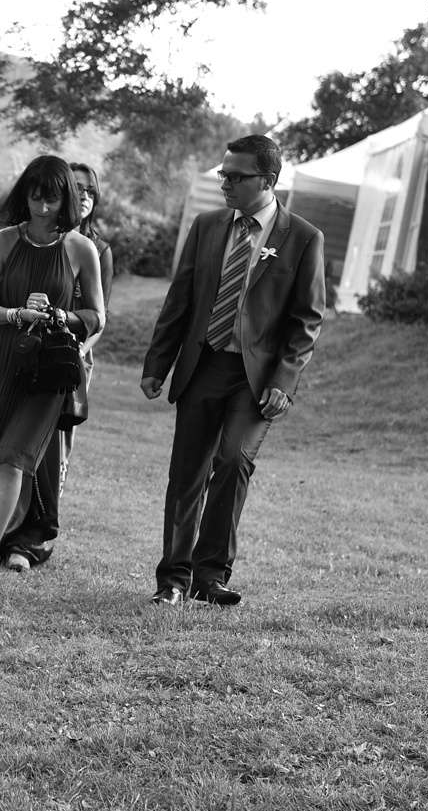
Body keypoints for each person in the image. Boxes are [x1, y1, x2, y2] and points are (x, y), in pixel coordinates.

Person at [141, 134, 325, 607]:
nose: (225, 183)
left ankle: (210, 577)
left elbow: (307, 321)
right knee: (187, 474)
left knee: (233, 460)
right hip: (201, 365)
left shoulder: (303, 237)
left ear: (267, 180)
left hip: (254, 378)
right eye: (224, 174)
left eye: (236, 176)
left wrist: (285, 380)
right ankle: (173, 581)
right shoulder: (206, 226)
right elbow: (180, 300)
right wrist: (158, 364)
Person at [0, 156, 105, 610]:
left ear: (65, 199)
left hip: (45, 375)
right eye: (35, 197)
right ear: (24, 195)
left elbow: (96, 317)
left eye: (51, 199)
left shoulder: (80, 249)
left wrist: (60, 315)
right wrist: (16, 313)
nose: (43, 207)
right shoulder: (3, 240)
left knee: (13, 461)